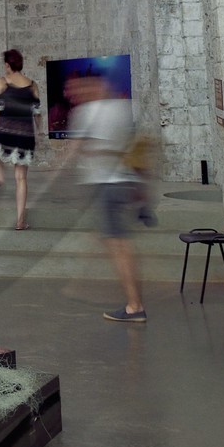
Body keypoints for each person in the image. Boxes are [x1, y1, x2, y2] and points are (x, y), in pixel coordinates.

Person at [65, 71, 146, 322]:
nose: (73, 94)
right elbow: (137, 146)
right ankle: (84, 286)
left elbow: (77, 150)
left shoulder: (86, 113)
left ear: (93, 85)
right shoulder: (125, 108)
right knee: (112, 240)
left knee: (118, 246)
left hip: (106, 186)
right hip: (124, 182)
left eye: (77, 89)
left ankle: (134, 306)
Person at [0, 48, 40, 230]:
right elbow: (37, 113)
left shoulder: (1, 82)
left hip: (3, 133)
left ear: (7, 65)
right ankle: (20, 221)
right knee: (21, 178)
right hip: (25, 137)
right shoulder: (32, 85)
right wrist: (41, 130)